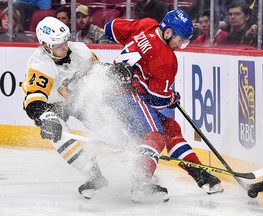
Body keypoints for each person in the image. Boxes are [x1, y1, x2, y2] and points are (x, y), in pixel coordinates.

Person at [104, 9, 223, 203]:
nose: (180, 45)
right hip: (128, 96)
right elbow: (157, 100)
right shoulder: (167, 59)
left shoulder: (147, 24)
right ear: (167, 32)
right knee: (155, 136)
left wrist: (132, 56)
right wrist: (172, 98)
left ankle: (200, 175)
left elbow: (110, 29)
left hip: (114, 91)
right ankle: (140, 184)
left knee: (170, 129)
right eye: (180, 40)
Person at [21, 16, 132, 199]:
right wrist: (46, 119)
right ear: (45, 46)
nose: (65, 47)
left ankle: (138, 168)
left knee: (104, 124)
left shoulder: (81, 51)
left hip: (77, 99)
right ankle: (94, 176)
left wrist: (114, 72)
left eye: (65, 41)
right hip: (50, 106)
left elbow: (99, 71)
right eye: (58, 45)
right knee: (60, 137)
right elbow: (33, 102)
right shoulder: (39, 64)